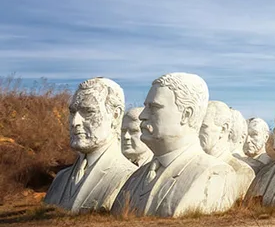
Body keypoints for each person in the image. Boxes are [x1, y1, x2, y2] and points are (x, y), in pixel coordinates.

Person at [111, 73, 235, 217]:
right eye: (146, 107)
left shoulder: (216, 173)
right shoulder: (136, 177)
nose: (142, 116)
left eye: (154, 107)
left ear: (186, 115)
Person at [45, 78, 135, 213]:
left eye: (88, 112)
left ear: (115, 116)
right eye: (72, 112)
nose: (75, 122)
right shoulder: (60, 179)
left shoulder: (131, 177)